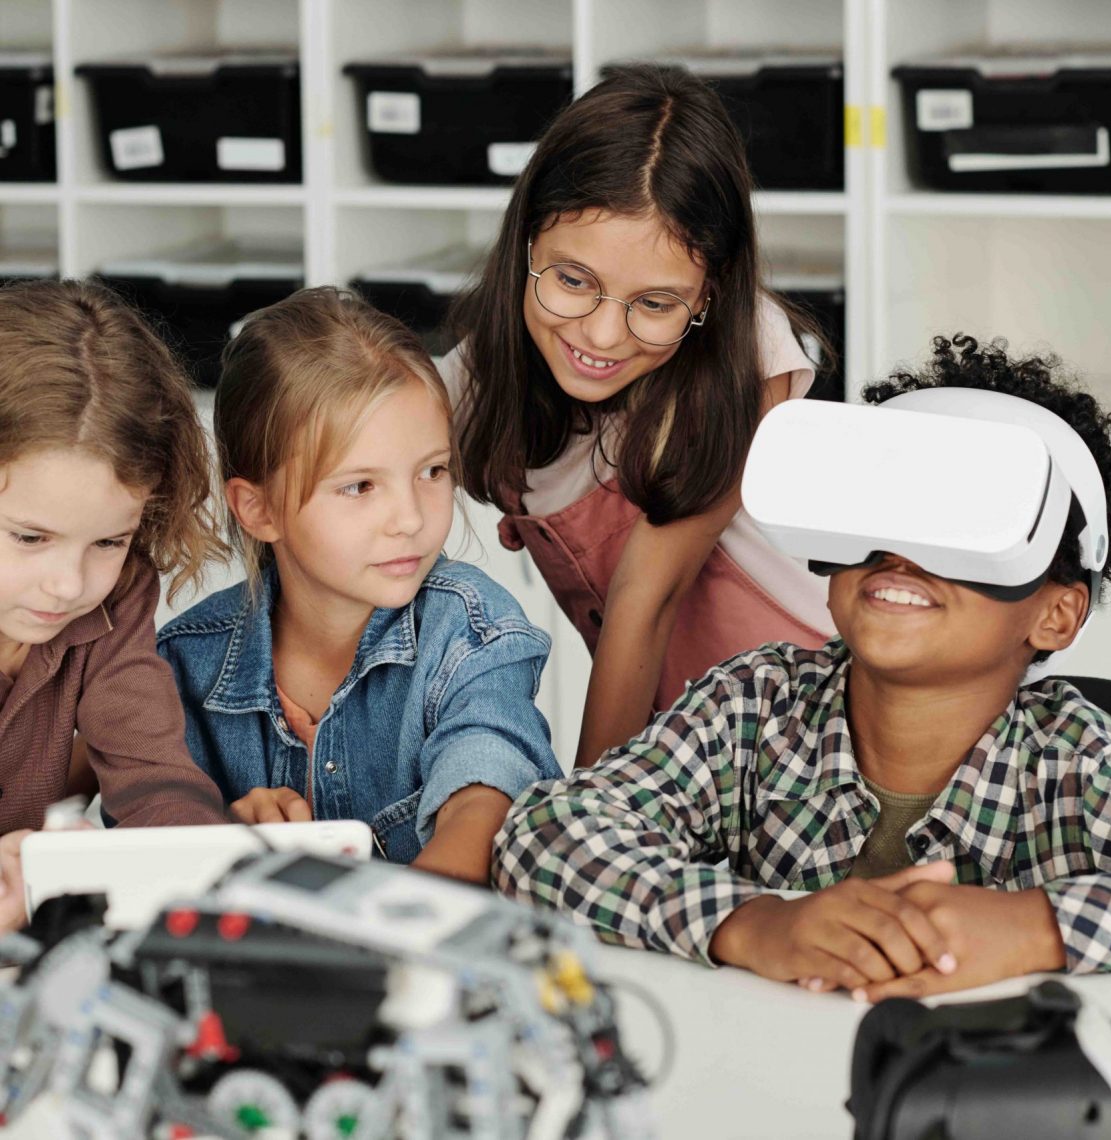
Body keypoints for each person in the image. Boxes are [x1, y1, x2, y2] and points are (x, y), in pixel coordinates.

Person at [493, 335, 1111, 999]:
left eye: (964, 524)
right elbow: (544, 834)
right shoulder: (755, 705)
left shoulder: (1079, 764)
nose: (901, 553)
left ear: (1055, 615)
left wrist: (1036, 928)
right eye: (882, 510)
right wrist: (751, 923)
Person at [445, 64, 833, 768]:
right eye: (572, 281)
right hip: (671, 746)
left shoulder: (744, 356)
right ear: (525, 243)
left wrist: (585, 825)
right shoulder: (481, 372)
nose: (600, 336)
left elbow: (642, 604)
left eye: (655, 304)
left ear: (709, 295)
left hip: (803, 734)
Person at [158, 288, 560, 884]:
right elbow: (140, 835)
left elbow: (484, 797)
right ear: (259, 508)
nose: (410, 518)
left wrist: (389, 933)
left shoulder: (472, 630)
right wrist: (215, 837)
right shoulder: (184, 663)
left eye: (432, 471)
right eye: (361, 486)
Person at [0, 279, 231, 929]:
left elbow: (154, 776)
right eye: (29, 537)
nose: (69, 584)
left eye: (108, 540)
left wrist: (191, 865)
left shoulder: (116, 596)